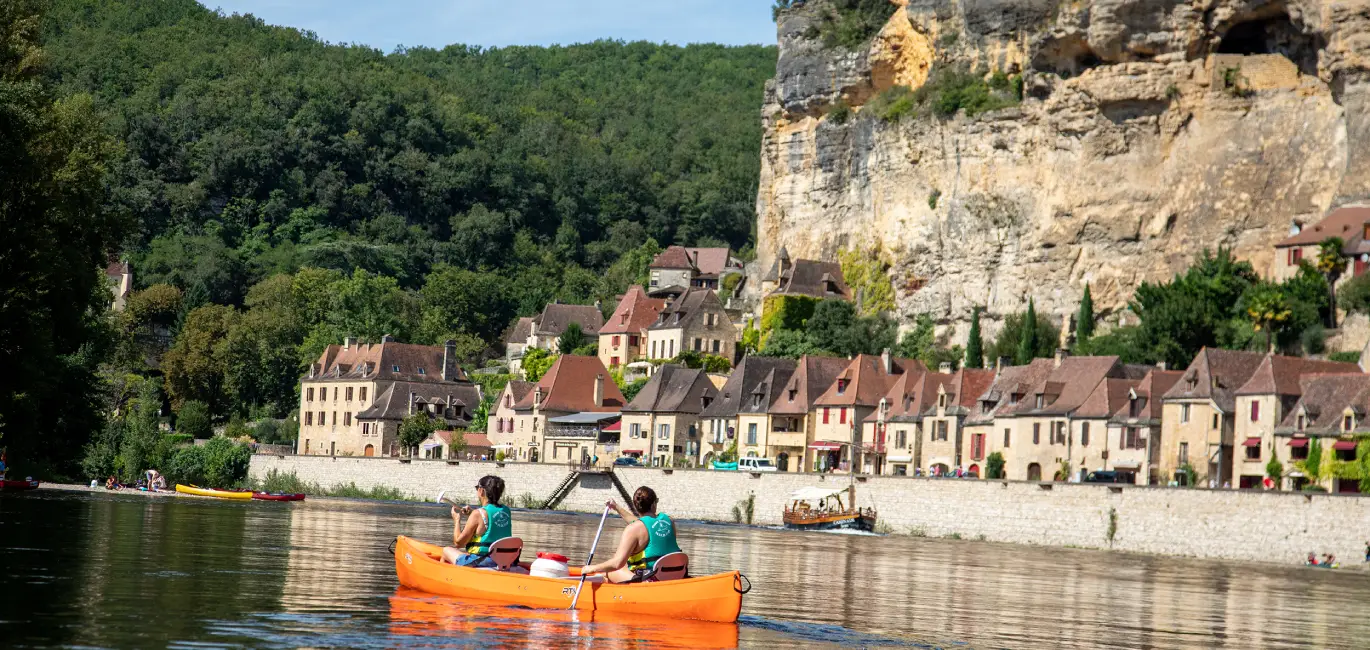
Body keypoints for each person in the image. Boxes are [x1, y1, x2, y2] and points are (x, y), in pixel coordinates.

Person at [582, 486, 682, 584]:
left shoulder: (634, 529)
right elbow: (643, 524)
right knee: (621, 567)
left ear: (636, 506)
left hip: (650, 579)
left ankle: (604, 583)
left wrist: (592, 568)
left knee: (610, 570)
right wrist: (616, 507)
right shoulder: (669, 520)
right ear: (653, 504)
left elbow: (617, 563)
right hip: (677, 575)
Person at [440, 475, 512, 568]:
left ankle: (445, 578)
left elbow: (458, 543)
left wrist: (457, 520)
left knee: (446, 550)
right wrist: (473, 513)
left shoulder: (477, 514)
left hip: (483, 561)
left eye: (477, 488)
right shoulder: (506, 511)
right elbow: (490, 517)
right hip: (503, 560)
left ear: (481, 491)